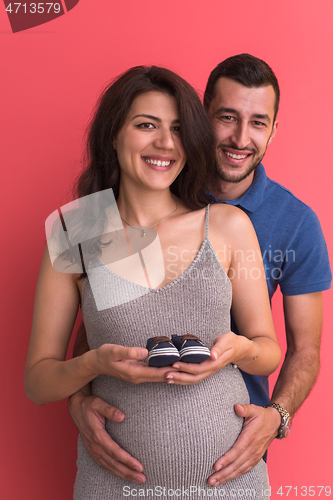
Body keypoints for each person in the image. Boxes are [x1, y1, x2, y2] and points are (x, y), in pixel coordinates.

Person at [67, 54, 332, 488]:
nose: (240, 137)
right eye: (227, 117)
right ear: (200, 117)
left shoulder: (295, 223)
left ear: (274, 130)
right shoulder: (150, 187)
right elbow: (102, 306)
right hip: (123, 445)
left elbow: (304, 348)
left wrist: (275, 418)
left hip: (230, 447)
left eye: (259, 122)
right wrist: (77, 398)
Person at [25, 65, 281, 498]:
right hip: (114, 488)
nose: (165, 143)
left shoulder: (224, 226)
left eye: (178, 129)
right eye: (147, 125)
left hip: (232, 486)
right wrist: (94, 364)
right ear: (113, 134)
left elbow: (268, 350)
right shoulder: (77, 233)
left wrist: (239, 350)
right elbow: (38, 382)